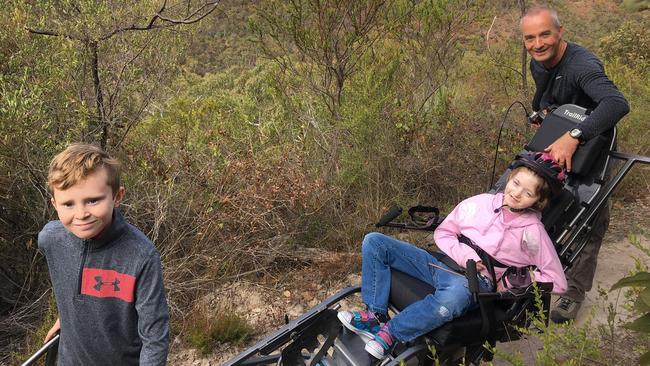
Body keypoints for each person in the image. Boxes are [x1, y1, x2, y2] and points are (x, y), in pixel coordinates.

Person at [337, 152, 568, 359]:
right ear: (510, 178)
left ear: (538, 201)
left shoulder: (533, 233)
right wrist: (465, 255)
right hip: (442, 263)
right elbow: (445, 232)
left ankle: (392, 332)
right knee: (375, 242)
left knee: (455, 297)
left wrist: (511, 281)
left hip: (476, 281)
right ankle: (375, 315)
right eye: (516, 183)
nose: (517, 193)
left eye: (527, 192)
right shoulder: (480, 203)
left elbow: (557, 281)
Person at [520, 6, 630, 323]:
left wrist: (575, 135)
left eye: (544, 34)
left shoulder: (582, 65)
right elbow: (546, 96)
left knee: (589, 219)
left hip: (593, 146)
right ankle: (535, 289)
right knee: (538, 208)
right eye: (530, 37)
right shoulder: (537, 62)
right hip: (557, 142)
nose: (538, 43)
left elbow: (616, 103)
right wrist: (543, 115)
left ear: (560, 32)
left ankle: (574, 292)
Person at [39, 143, 169, 365]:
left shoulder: (141, 256)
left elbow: (154, 337)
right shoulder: (50, 239)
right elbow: (73, 284)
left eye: (93, 200)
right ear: (54, 204)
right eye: (68, 204)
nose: (81, 214)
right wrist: (67, 317)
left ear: (117, 197)